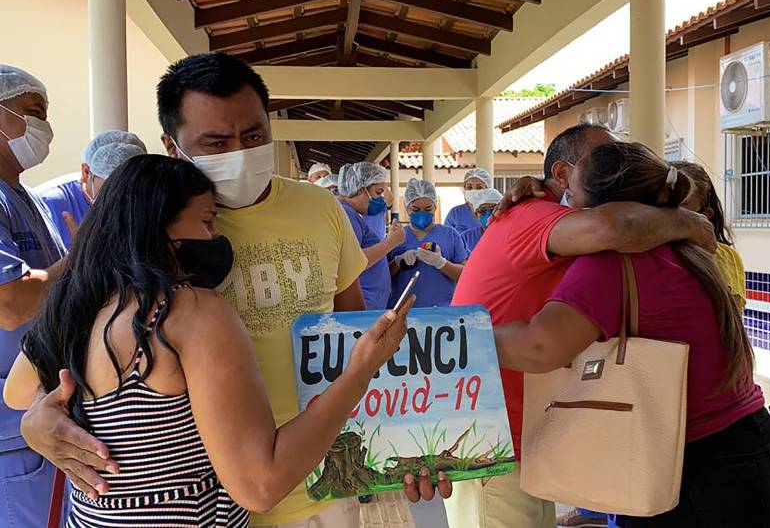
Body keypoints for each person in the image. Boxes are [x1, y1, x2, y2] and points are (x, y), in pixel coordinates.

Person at [19, 52, 449, 528]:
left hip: (332, 484)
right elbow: (55, 365)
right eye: (216, 142)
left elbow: (355, 337)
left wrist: (408, 443)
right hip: (231, 503)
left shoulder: (320, 208)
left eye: (253, 136)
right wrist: (37, 422)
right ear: (172, 143)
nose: (239, 153)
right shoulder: (150, 237)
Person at [493, 141, 770, 528]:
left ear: (601, 211)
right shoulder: (688, 248)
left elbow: (539, 346)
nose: (563, 207)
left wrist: (467, 336)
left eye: (570, 196)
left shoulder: (613, 262)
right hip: (761, 453)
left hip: (699, 479)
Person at [445, 124, 717, 528]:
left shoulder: (627, 249)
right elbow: (611, 228)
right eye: (600, 162)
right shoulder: (539, 216)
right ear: (562, 175)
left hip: (522, 431)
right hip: (491, 435)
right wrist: (693, 223)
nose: (612, 167)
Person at [0, 65, 68, 527]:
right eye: (32, 112)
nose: (43, 127)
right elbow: (10, 305)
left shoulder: (26, 198)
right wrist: (86, 255)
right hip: (12, 431)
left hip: (41, 419)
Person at [38, 131, 145, 248]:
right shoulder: (50, 204)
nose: (121, 193)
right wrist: (78, 254)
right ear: (86, 173)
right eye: (112, 185)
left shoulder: (144, 201)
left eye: (130, 184)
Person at [674, 160, 746, 311]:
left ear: (705, 216)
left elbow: (733, 321)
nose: (669, 215)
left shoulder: (726, 258)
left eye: (681, 207)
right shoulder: (644, 253)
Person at [389, 178, 467, 308]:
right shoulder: (396, 236)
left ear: (435, 207)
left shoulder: (450, 235)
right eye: (415, 209)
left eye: (427, 209)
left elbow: (465, 276)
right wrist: (398, 262)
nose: (422, 213)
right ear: (406, 208)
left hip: (442, 312)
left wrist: (441, 263)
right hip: (402, 312)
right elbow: (380, 277)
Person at [338, 162, 405, 310]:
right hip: (362, 307)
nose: (381, 199)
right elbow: (353, 261)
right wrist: (390, 243)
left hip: (369, 305)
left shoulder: (353, 215)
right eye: (378, 192)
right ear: (361, 189)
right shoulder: (347, 215)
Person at [444, 167, 492, 233]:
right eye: (469, 187)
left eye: (479, 187)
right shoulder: (455, 213)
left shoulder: (492, 212)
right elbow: (447, 238)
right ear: (464, 189)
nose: (474, 191)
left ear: (488, 189)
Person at [460, 187, 502, 254]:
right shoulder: (466, 238)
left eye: (492, 209)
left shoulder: (508, 235)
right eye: (482, 211)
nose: (488, 214)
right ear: (476, 214)